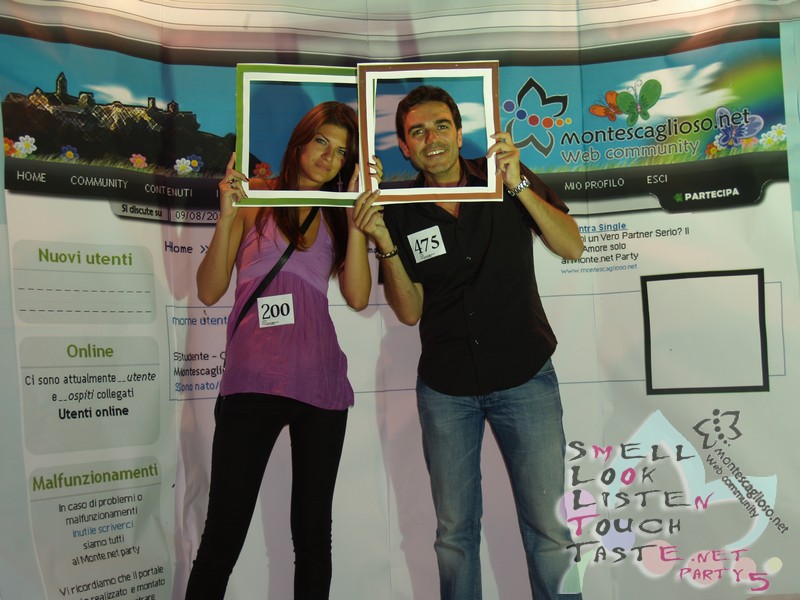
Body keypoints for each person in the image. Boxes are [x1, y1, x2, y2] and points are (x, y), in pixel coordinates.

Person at [352, 85, 585, 600]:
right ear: (404, 147)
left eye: (441, 126)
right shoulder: (401, 209)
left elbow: (571, 246)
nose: (431, 138)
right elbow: (409, 312)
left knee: (550, 531)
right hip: (447, 389)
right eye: (417, 131)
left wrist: (518, 184)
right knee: (454, 536)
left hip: (525, 376)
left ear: (460, 134)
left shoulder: (503, 178)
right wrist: (384, 243)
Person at [186, 101, 382, 600]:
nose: (329, 158)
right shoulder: (256, 196)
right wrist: (227, 217)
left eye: (341, 152)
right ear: (300, 142)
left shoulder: (338, 214)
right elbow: (209, 290)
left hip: (321, 384)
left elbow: (359, 297)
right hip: (253, 379)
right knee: (222, 537)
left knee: (313, 539)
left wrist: (358, 222)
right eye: (322, 142)